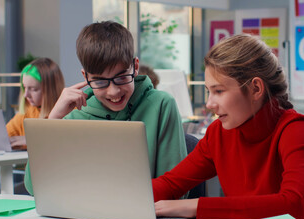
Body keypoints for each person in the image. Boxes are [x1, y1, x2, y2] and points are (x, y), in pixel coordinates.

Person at [152, 34, 304, 219]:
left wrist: (195, 207)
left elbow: (294, 206)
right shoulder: (218, 133)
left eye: (219, 91)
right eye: (208, 91)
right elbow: (170, 184)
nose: (209, 103)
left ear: (255, 88)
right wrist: (124, 198)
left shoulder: (296, 130)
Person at [24, 21, 187, 195]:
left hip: (142, 218)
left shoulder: (161, 105)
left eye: (122, 77)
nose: (114, 91)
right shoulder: (74, 113)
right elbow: (35, 188)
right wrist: (53, 120)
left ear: (135, 67)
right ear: (85, 77)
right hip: (83, 217)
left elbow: (177, 190)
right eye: (100, 81)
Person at [6, 57, 65, 150]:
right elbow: (4, 136)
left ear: (50, 90)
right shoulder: (27, 112)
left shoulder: (70, 113)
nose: (26, 95)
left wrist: (31, 140)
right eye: (24, 87)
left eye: (33, 89)